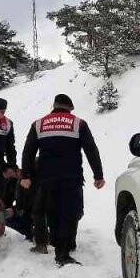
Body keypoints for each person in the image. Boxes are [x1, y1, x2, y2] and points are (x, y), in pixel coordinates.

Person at [20, 94, 104, 266]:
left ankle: (60, 246)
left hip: (47, 178)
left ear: (54, 106)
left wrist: (26, 176)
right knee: (68, 214)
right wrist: (98, 175)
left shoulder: (39, 124)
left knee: (52, 213)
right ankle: (63, 253)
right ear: (69, 108)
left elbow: (28, 151)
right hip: (71, 177)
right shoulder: (78, 123)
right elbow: (91, 150)